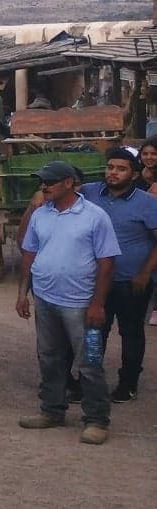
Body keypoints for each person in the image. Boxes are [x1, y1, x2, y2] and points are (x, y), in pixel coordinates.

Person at [16, 160, 119, 443]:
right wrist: (23, 292)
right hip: (46, 298)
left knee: (90, 362)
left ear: (69, 183)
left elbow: (107, 262)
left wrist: (98, 303)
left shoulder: (95, 216)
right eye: (42, 181)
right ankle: (52, 410)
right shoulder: (41, 214)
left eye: (49, 182)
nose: (44, 186)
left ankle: (97, 419)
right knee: (49, 357)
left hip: (81, 302)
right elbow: (29, 252)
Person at [80, 147, 157, 404]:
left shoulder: (147, 203)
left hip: (131, 281)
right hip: (96, 281)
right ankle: (88, 381)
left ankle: (128, 383)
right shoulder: (90, 193)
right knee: (94, 332)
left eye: (121, 169)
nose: (113, 173)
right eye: (110, 167)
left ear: (134, 174)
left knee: (131, 333)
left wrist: (145, 272)